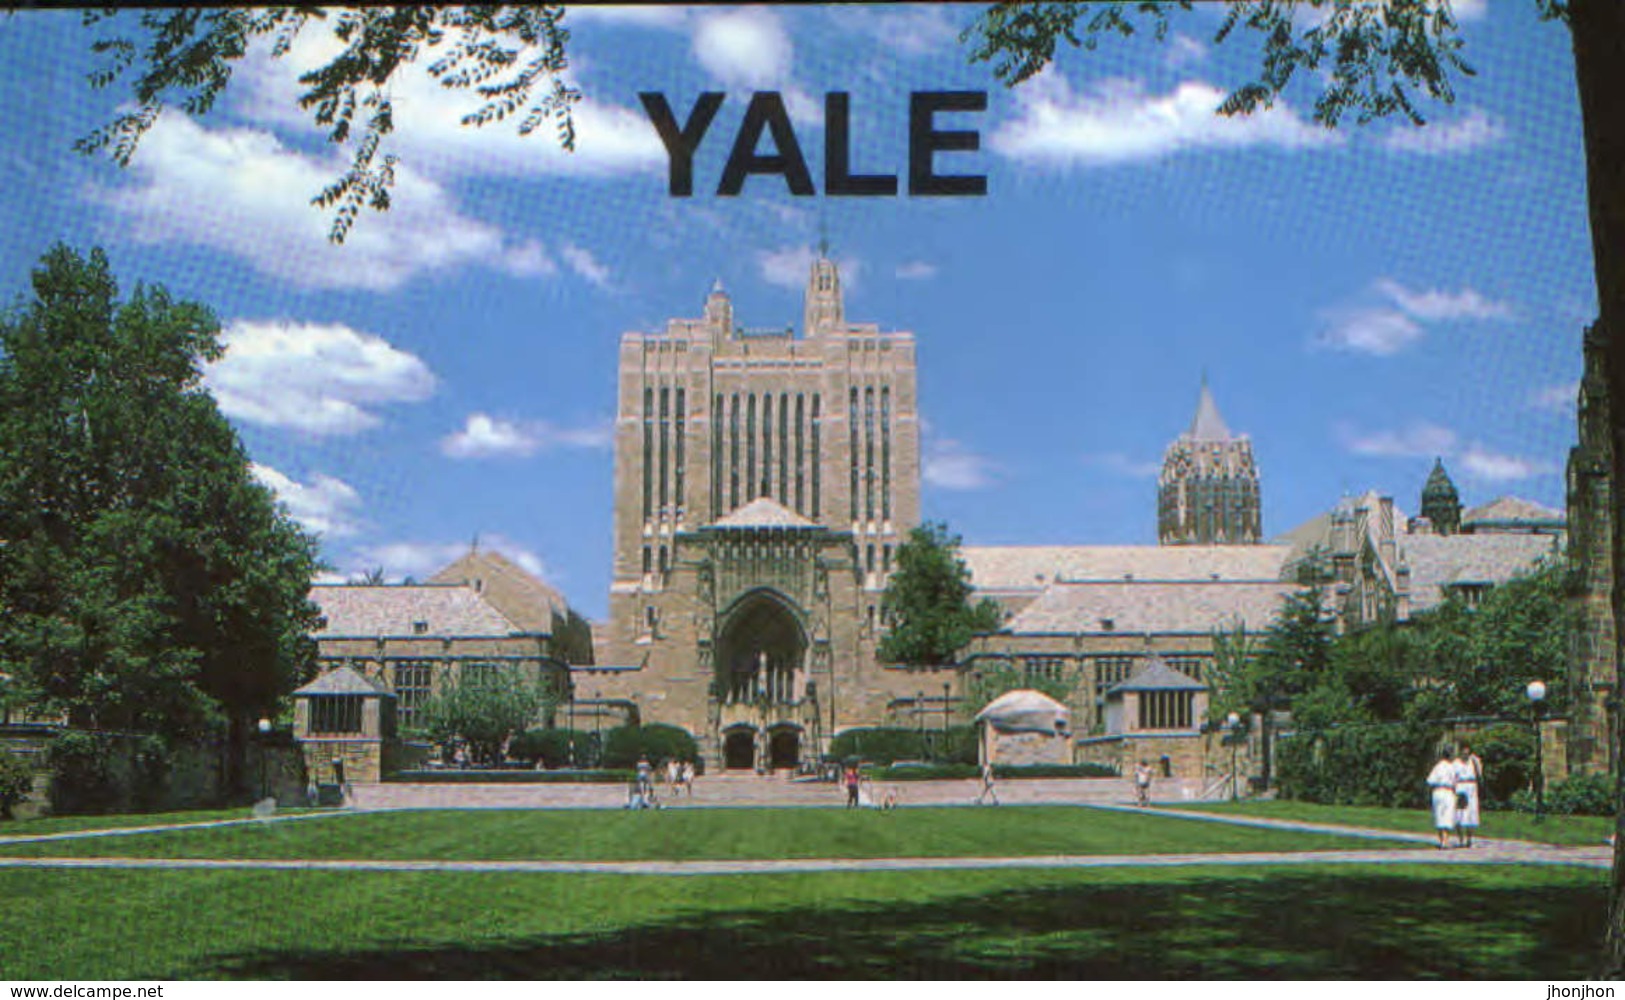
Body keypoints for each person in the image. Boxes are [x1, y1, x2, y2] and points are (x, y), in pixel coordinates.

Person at [1427, 746, 1459, 849]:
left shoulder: (1437, 767)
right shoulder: (1452, 767)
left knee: (1439, 815)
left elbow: (1430, 781)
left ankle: (1442, 840)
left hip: (1438, 791)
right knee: (1447, 815)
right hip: (1447, 791)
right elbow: (1455, 782)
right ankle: (1445, 840)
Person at [1454, 742, 1484, 848]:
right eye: (1463, 753)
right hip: (1461, 787)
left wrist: (1476, 761)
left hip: (1472, 787)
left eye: (1467, 753)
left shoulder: (1474, 762)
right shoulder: (1456, 763)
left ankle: (1469, 840)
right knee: (1460, 814)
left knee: (1472, 814)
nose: (1465, 755)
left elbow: (1480, 774)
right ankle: (1461, 839)